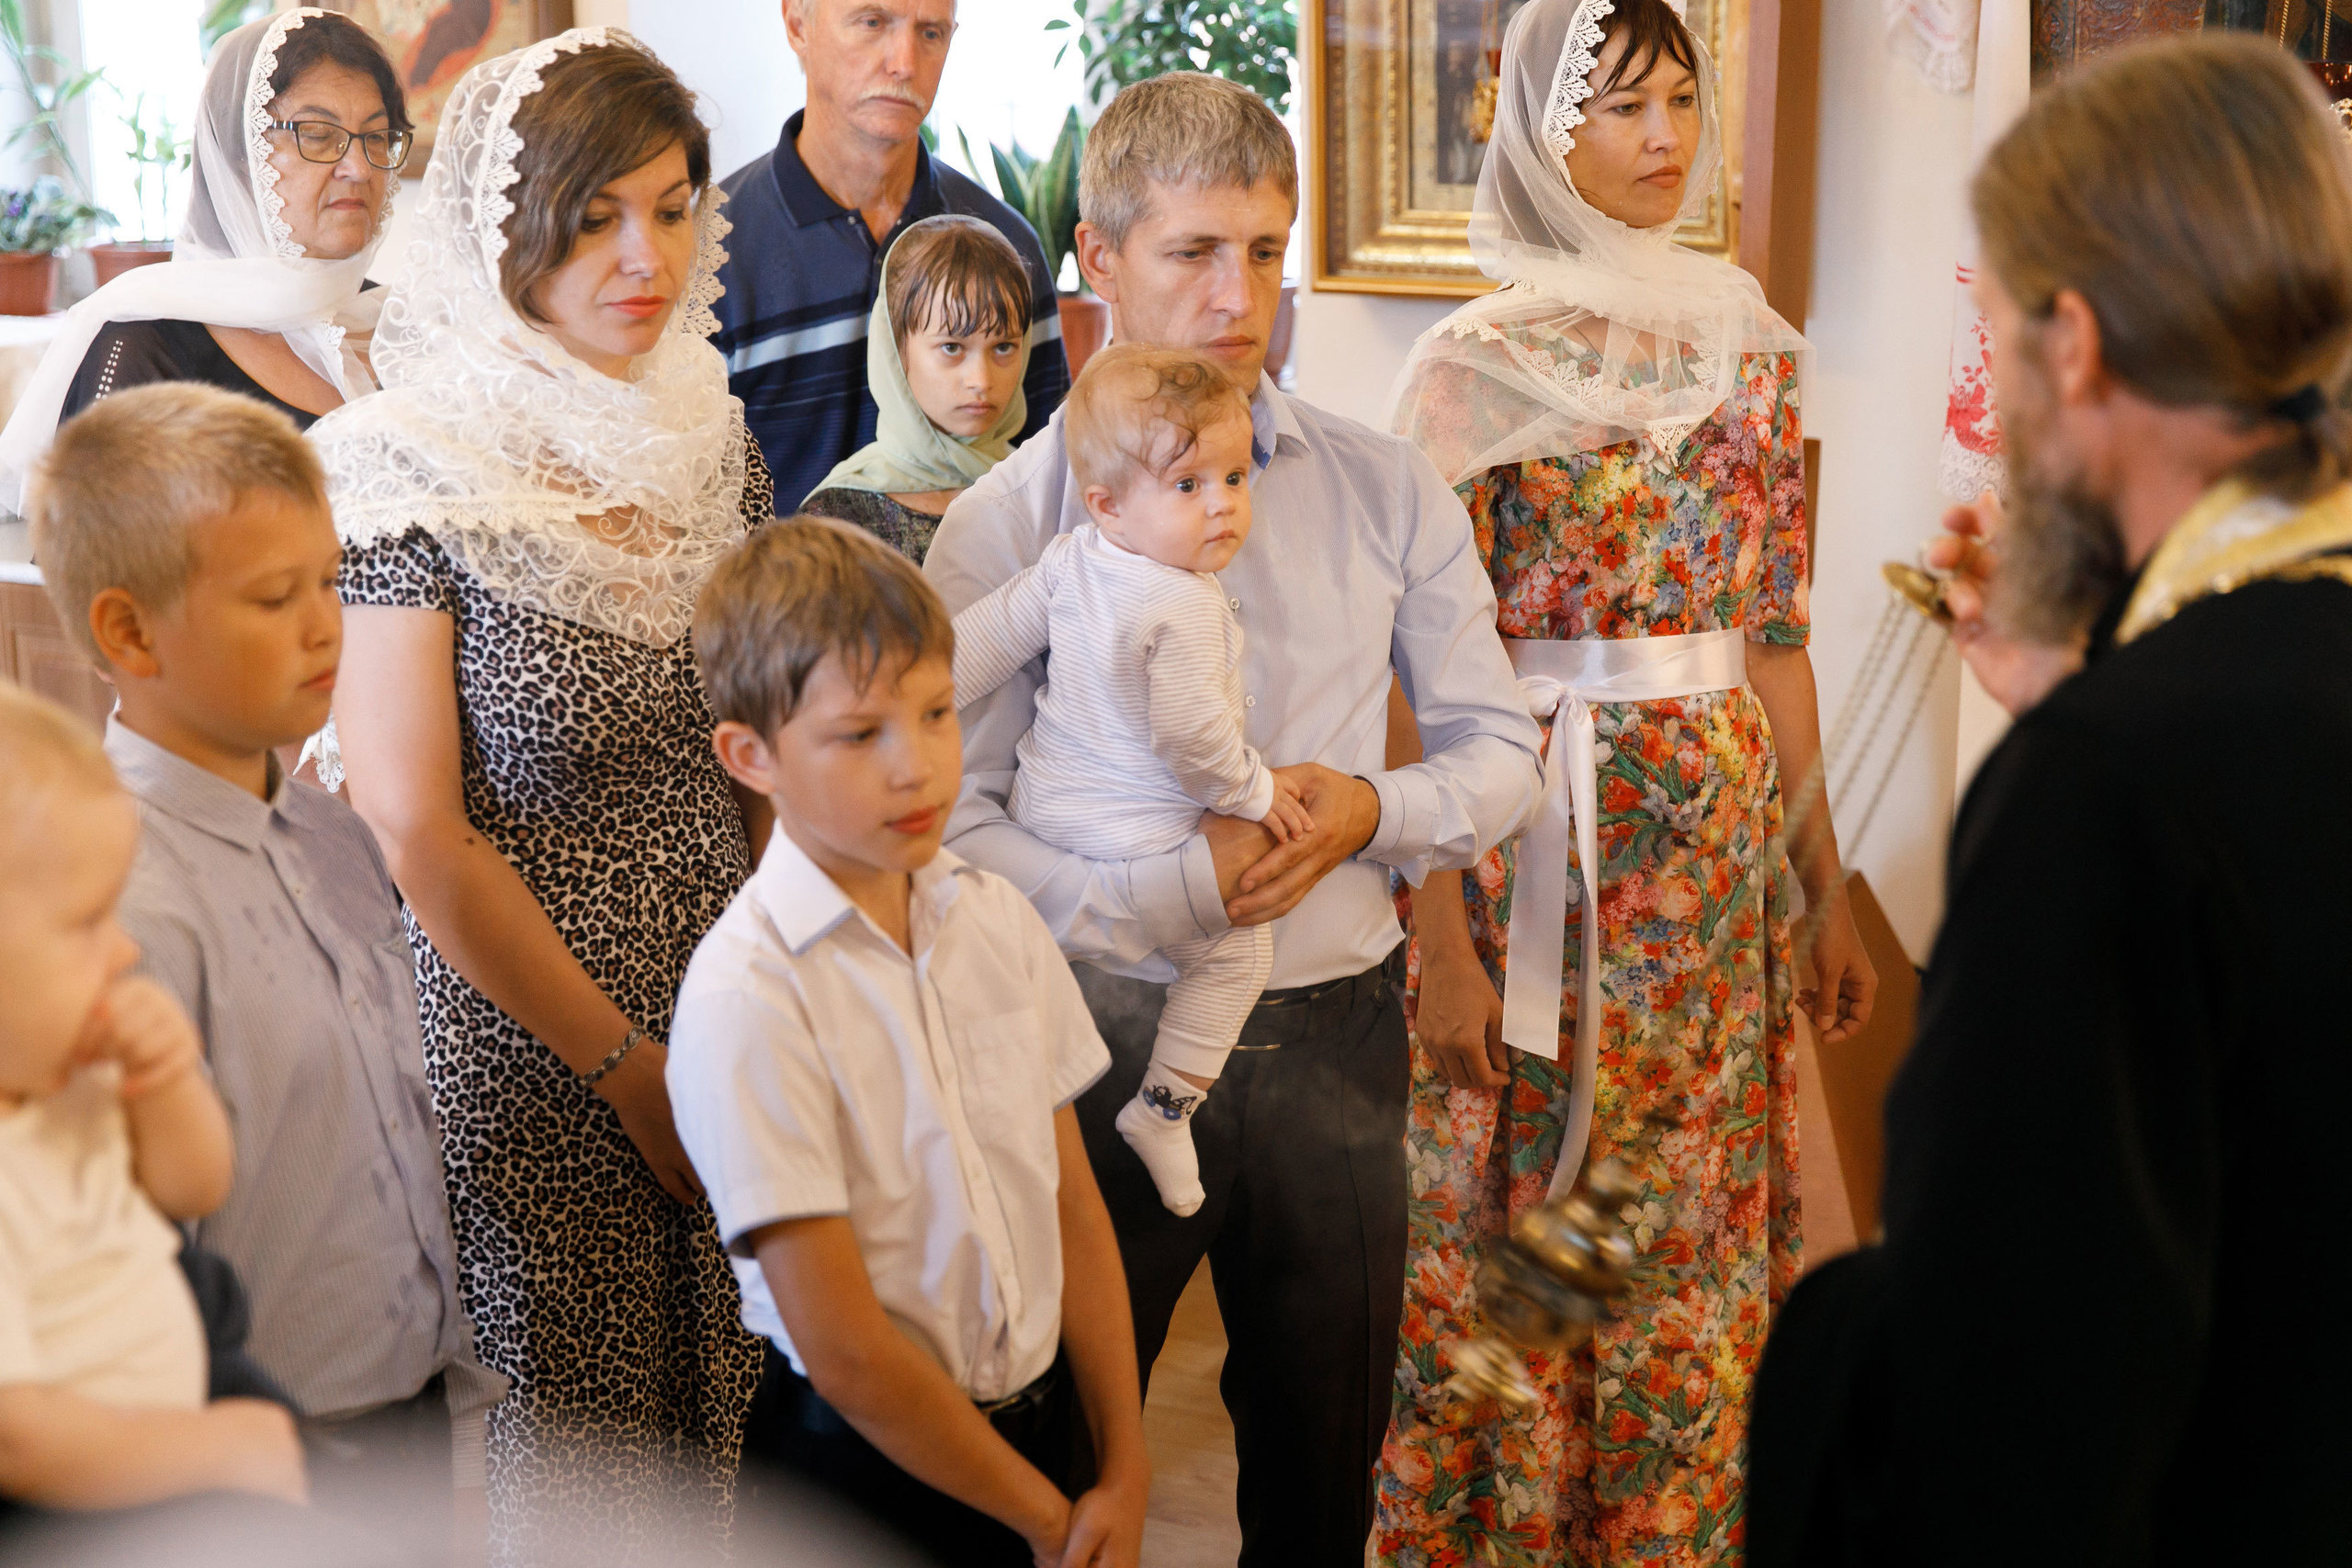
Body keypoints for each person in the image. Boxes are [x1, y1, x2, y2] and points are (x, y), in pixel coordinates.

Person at [924, 71, 1546, 1564]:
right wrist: (1157, 893)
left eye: (1265, 252)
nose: (1239, 294)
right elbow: (950, 830)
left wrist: (1369, 808)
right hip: (1095, 1036)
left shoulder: (1386, 487)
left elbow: (1498, 751)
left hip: (1339, 1036)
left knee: (1328, 1483)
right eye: (1195, 252)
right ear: (1099, 255)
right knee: (1070, 1483)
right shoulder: (1007, 526)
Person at [1747, 35, 2352, 1567]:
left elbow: (2001, 1415)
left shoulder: (2109, 783)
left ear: (2072, 344)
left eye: (2000, 331)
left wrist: (1818, 1337)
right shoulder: (2174, 712)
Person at [1372, 2, 1873, 1560]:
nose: (1665, 139)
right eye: (1626, 106)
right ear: (1548, 129)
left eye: (1683, 102)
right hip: (1544, 855)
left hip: (1715, 890)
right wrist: (1439, 931)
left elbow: (1778, 647)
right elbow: (1406, 664)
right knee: (1543, 1191)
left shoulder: (1748, 341)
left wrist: (1826, 882)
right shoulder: (1469, 365)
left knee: (1689, 1208)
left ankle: (1675, 1525)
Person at [310, 29, 768, 1558]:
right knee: (577, 1466)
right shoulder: (406, 464)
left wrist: (773, 1002)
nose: (644, 256)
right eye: (594, 218)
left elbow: (766, 737)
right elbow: (413, 824)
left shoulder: (713, 438)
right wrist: (630, 1071)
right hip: (534, 1050)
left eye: (674, 207)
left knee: (718, 1439)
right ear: (508, 229)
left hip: (729, 1012)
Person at [26, 384, 504, 1558]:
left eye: (331, 583)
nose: (325, 628)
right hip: (243, 1451)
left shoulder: (336, 838)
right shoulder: (110, 902)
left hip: (408, 1402)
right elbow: (125, 1237)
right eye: (272, 598)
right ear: (130, 633)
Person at [670, 519, 1148, 1568]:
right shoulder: (749, 993)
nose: (916, 766)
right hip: (860, 1479)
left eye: (935, 715)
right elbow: (843, 1348)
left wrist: (1122, 1465)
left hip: (1045, 1435)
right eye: (858, 734)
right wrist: (1044, 1520)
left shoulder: (992, 918)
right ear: (752, 755)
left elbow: (1069, 1201)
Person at [951, 344, 1313, 1218]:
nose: (1223, 504)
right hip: (1135, 834)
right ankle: (1162, 1109)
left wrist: (915, 692)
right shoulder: (1184, 604)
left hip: (1043, 815)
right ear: (1108, 503)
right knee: (1240, 949)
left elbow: (982, 643)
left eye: (1234, 475)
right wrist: (1258, 793)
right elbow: (1191, 740)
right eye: (1188, 486)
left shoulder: (1073, 559)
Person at [0, 684, 306, 1515]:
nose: (126, 946)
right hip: (91, 1510)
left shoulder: (67, 1075)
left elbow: (192, 1188)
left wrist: (166, 1083)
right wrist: (218, 1448)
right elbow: (17, 1436)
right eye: (88, 922)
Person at [0, 6, 408, 502]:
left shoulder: (402, 322)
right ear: (240, 157)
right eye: (318, 135)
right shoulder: (144, 342)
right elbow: (101, 564)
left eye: (378, 137)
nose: (359, 168)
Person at [710, 0, 1069, 512]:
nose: (904, 63)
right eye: (872, 22)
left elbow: (1049, 483)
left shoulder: (1007, 248)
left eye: (930, 33)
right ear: (796, 24)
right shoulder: (709, 254)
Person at [801, 214, 1035, 562]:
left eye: (1003, 347)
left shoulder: (1043, 488)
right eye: (951, 348)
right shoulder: (837, 519)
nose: (981, 381)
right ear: (896, 351)